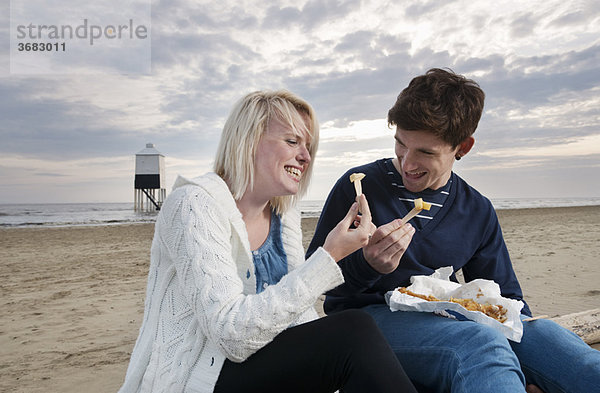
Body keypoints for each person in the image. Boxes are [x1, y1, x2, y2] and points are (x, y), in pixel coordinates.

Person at [307, 68, 600, 393]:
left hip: (450, 319)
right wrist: (367, 265)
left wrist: (530, 363)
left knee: (551, 339)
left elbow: (505, 297)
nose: (407, 162)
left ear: (463, 146)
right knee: (480, 344)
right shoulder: (359, 188)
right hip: (365, 322)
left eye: (426, 152)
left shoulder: (476, 209)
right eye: (401, 144)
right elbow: (317, 288)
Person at [118, 90, 417, 393]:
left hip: (260, 366)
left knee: (356, 348)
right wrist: (330, 255)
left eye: (308, 146)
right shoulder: (194, 204)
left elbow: (298, 316)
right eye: (292, 141)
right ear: (248, 140)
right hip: (198, 379)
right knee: (355, 331)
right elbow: (232, 336)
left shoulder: (283, 214)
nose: (305, 156)